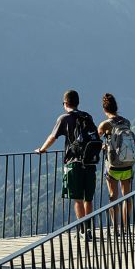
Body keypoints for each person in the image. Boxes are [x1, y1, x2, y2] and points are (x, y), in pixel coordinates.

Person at [37, 89, 103, 225]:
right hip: (90, 162)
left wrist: (42, 149)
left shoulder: (64, 118)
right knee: (88, 199)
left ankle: (82, 229)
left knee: (78, 199)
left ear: (65, 103)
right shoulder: (87, 116)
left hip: (74, 163)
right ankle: (89, 227)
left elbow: (52, 137)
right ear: (78, 103)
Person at [97, 93, 135, 230]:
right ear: (116, 108)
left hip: (113, 166)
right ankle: (126, 227)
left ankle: (115, 228)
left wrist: (104, 146)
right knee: (127, 196)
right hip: (127, 164)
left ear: (104, 109)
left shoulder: (105, 124)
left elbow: (96, 140)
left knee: (113, 197)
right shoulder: (126, 122)